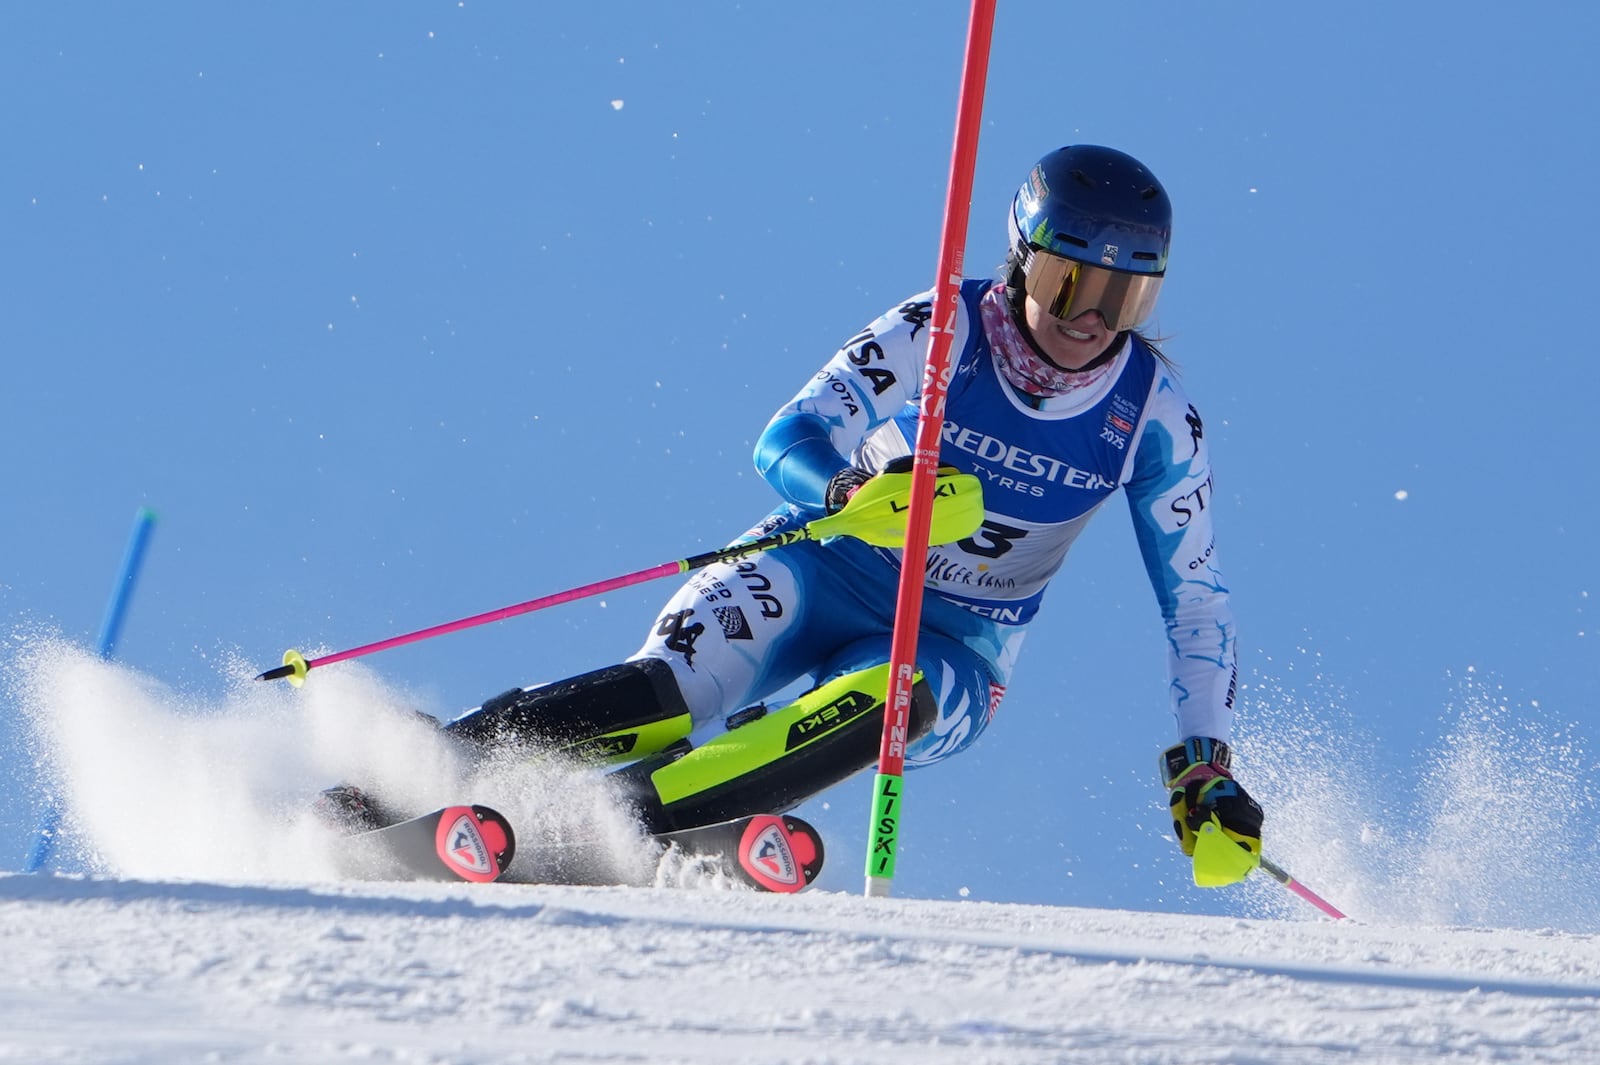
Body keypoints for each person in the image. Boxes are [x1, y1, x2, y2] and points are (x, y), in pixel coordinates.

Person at [328, 145, 1264, 882]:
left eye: (1122, 294)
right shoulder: (944, 326)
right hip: (821, 564)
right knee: (672, 693)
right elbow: (786, 436)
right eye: (1073, 283)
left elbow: (1197, 603)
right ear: (1024, 258)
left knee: (886, 696)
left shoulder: (1154, 419)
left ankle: (608, 823)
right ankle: (421, 777)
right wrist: (851, 494)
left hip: (955, 647)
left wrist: (1203, 761)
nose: (1091, 319)